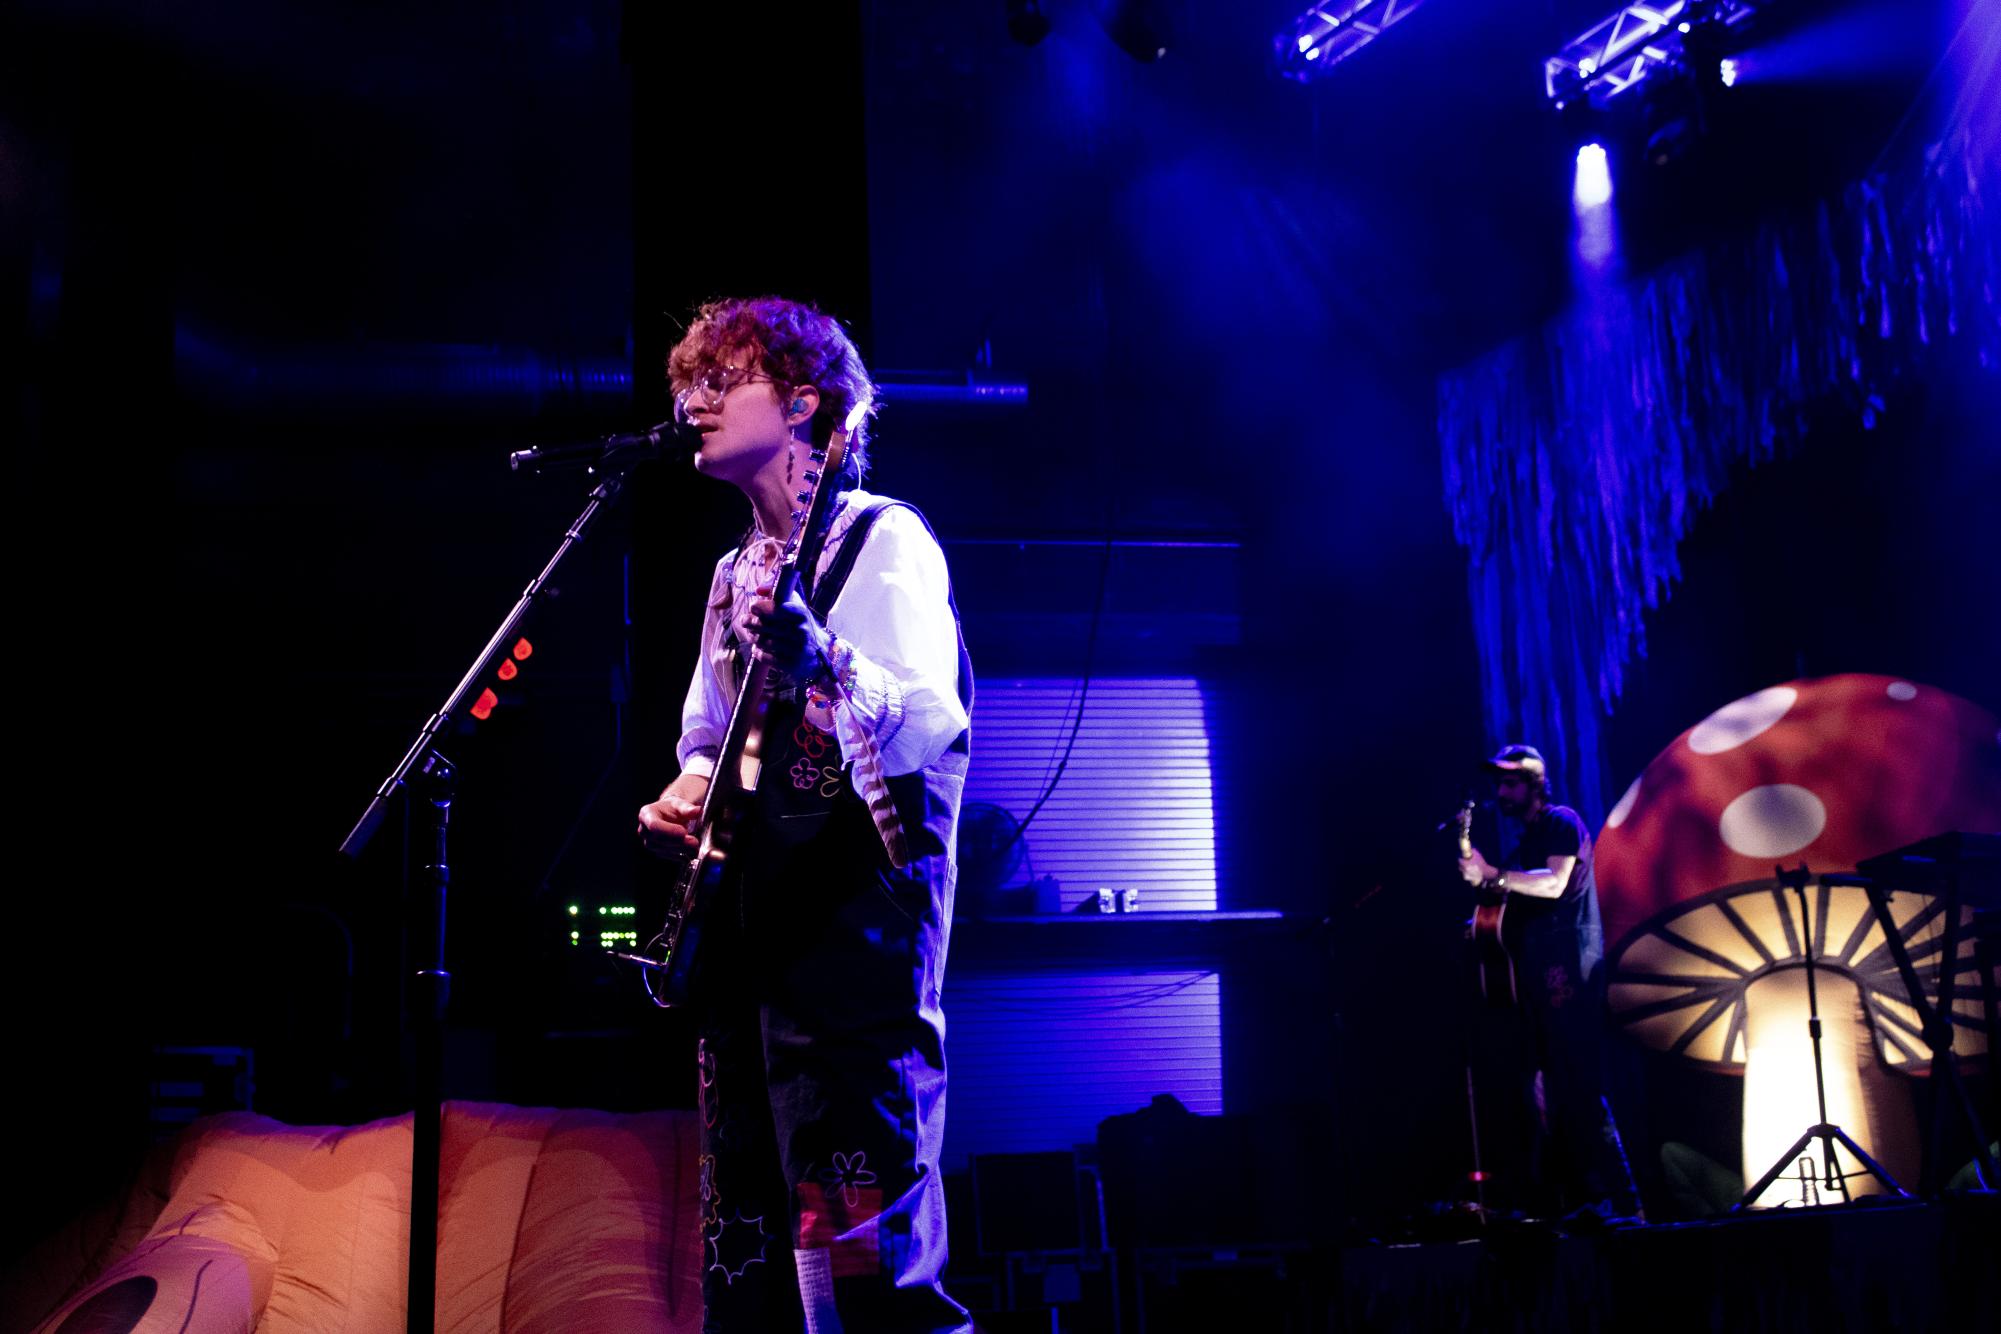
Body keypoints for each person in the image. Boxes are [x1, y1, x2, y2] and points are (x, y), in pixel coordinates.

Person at [636, 296, 974, 1332]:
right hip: (752, 942)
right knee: (754, 1241)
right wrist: (689, 786)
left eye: (718, 381)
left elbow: (923, 720)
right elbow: (711, 731)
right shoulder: (733, 571)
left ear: (803, 403)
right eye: (685, 384)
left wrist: (818, 650)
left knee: (862, 1239)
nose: (691, 402)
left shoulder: (883, 538)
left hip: (851, 941)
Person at [1456, 743, 1641, 1222]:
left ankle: (1626, 1205)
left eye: (1510, 781)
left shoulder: (1561, 821)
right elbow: (1505, 898)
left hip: (1571, 975)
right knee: (1544, 1095)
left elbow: (1554, 883)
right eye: (1498, 783)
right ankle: (1573, 1204)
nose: (1501, 791)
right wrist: (1482, 904)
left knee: (1579, 1089)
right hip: (1538, 985)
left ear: (1535, 783)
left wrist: (1495, 876)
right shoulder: (1525, 844)